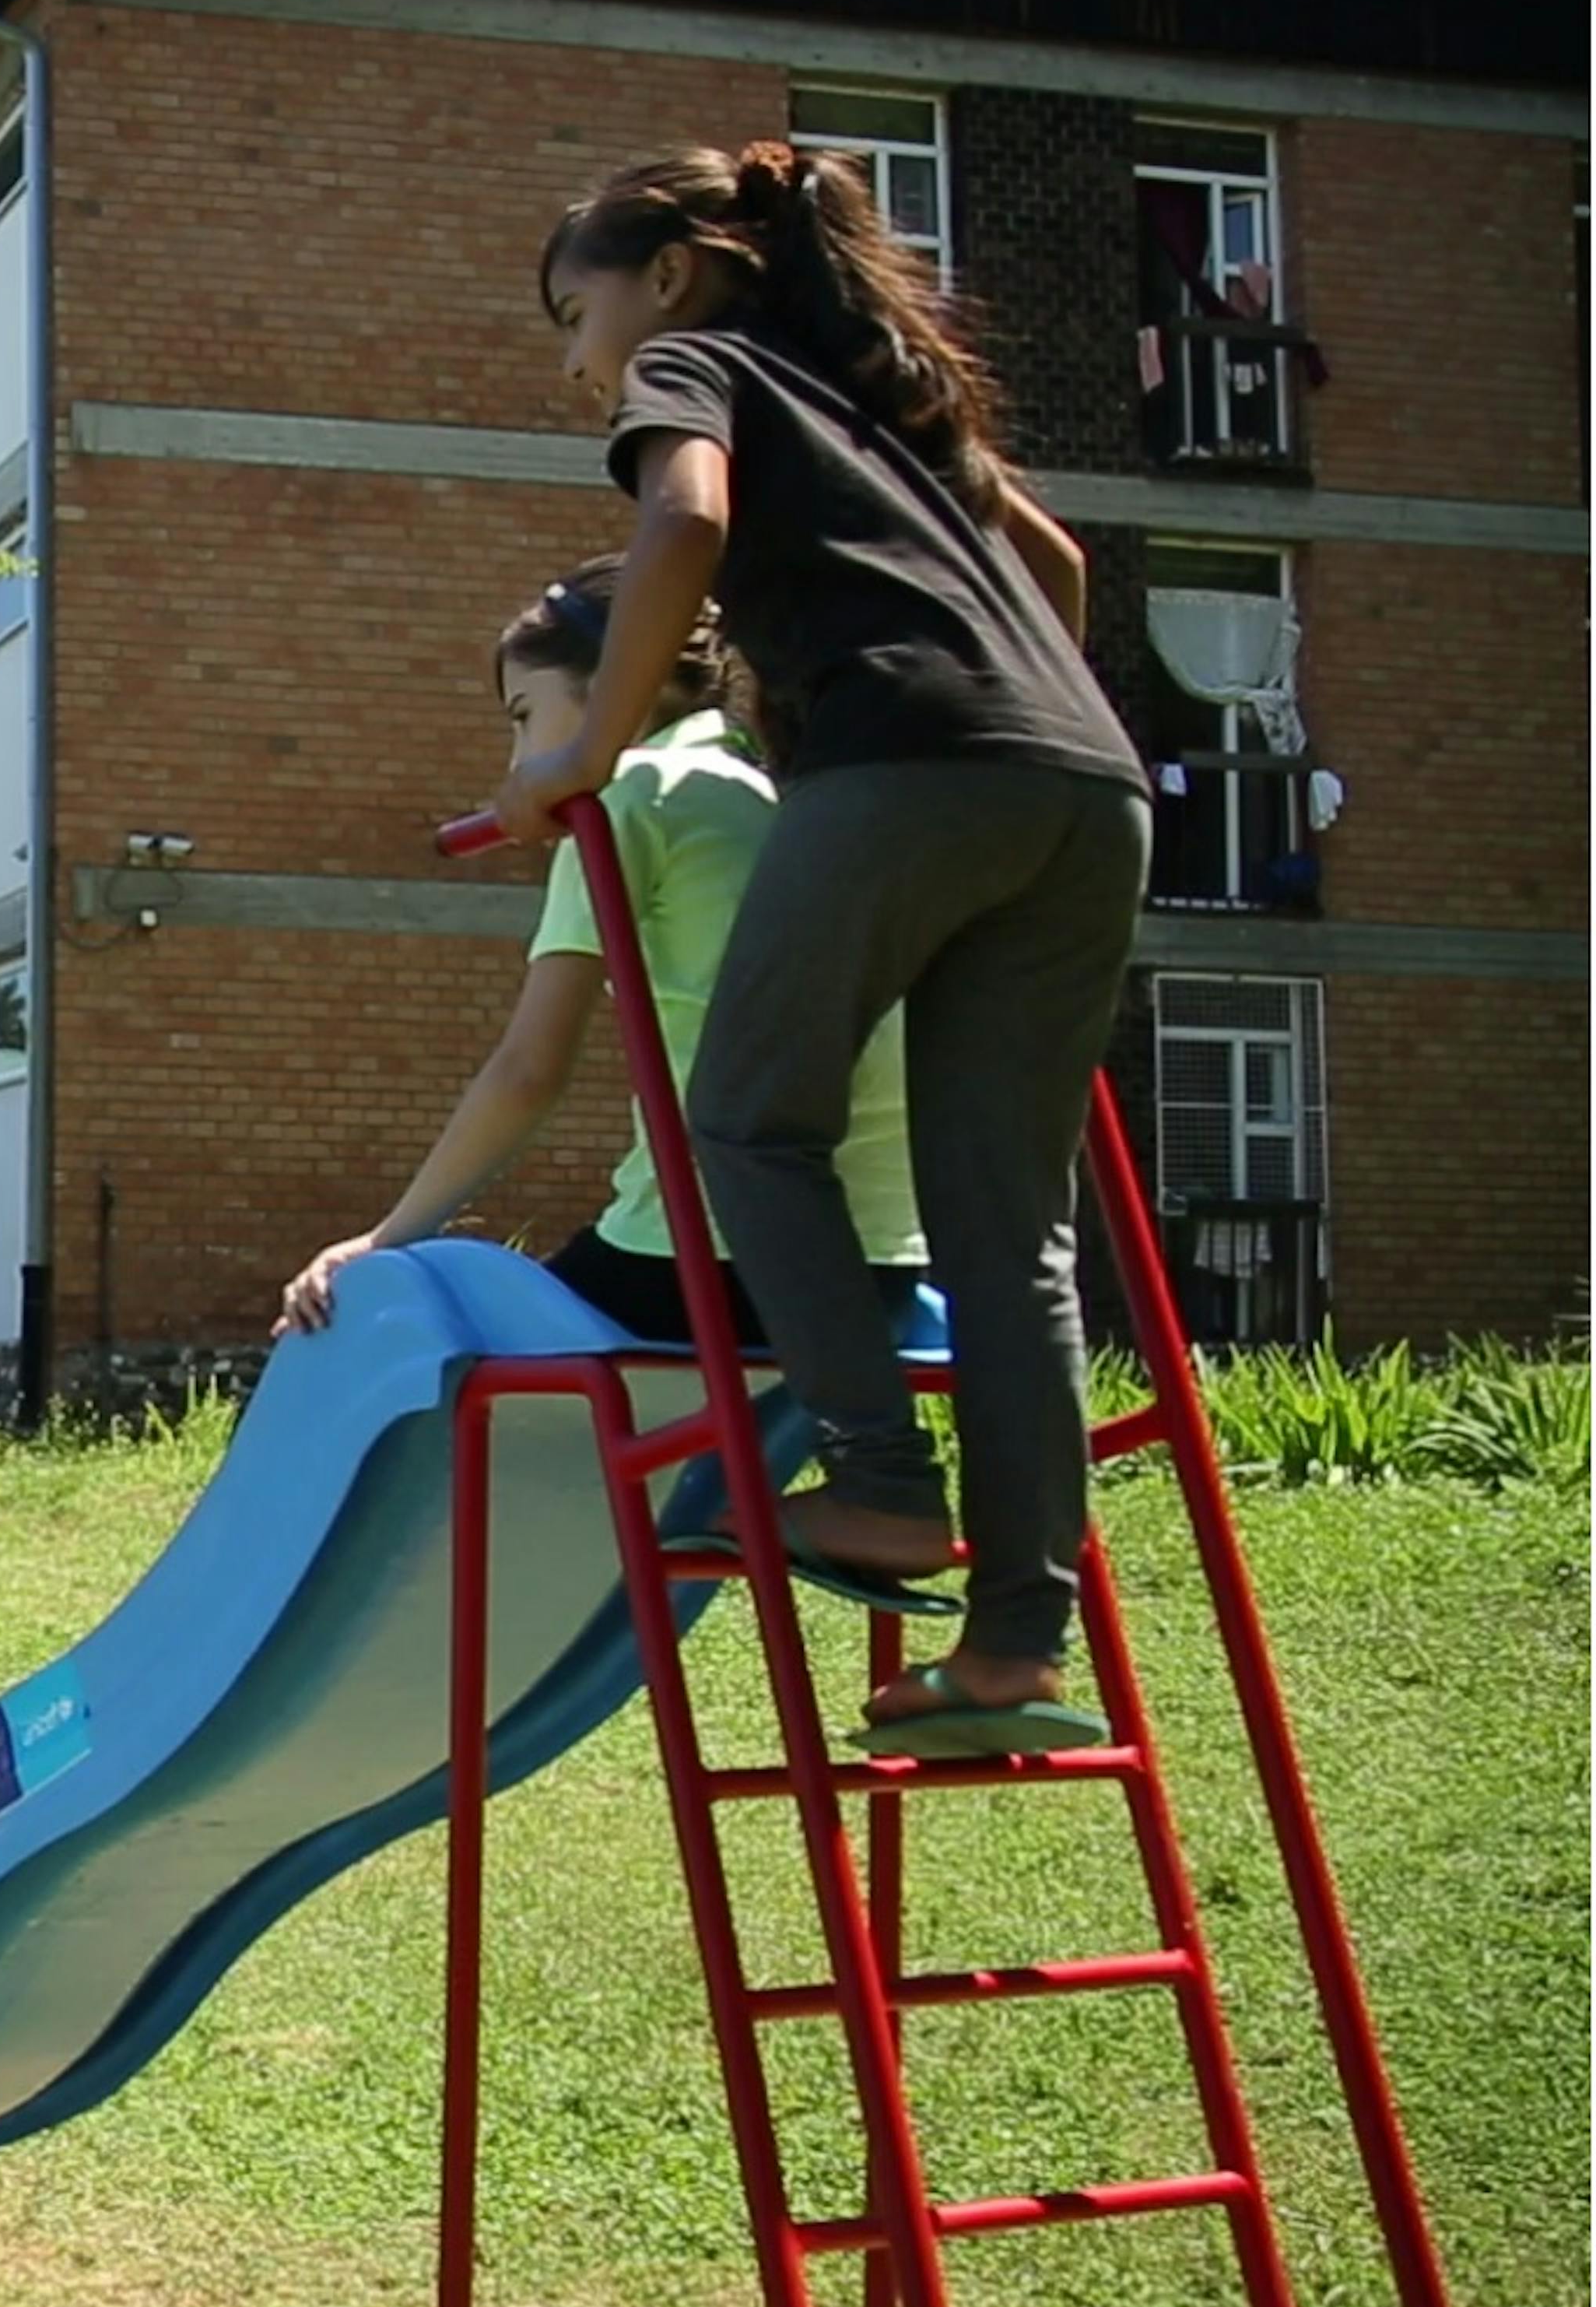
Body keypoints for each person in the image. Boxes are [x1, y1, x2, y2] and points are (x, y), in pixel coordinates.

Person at [514, 142, 1147, 1757]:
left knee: (744, 1118)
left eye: (567, 311)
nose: (572, 359)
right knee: (1012, 1241)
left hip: (910, 770)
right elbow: (1059, 570)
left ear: (659, 275)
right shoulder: (887, 400)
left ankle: (875, 1484)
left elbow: (685, 526)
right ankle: (1013, 1647)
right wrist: (997, 716)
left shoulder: (696, 361)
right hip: (1087, 787)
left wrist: (579, 755)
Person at [275, 556, 931, 1353]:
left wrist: (383, 1237)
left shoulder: (631, 799)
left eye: (523, 715)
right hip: (888, 1262)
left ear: (623, 681)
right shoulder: (784, 795)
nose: (518, 761)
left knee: (385, 1329)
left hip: (705, 1260)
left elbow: (529, 1070)